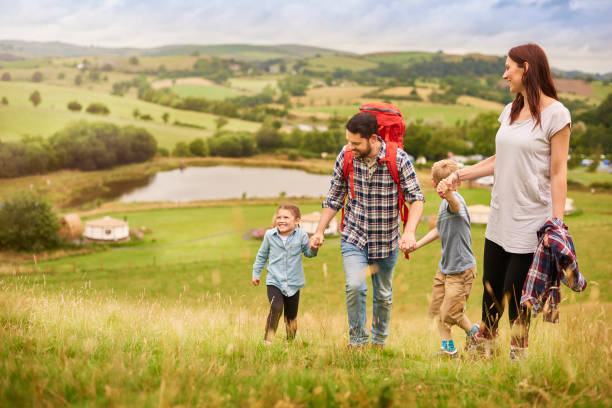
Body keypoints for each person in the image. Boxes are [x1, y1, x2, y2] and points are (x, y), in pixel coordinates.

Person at [438, 43, 572, 360]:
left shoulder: (557, 114)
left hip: (531, 222)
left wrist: (556, 223)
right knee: (491, 290)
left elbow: (558, 172)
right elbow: (501, 158)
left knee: (516, 294)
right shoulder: (511, 109)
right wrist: (462, 174)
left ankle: (518, 359)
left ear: (526, 68)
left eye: (508, 67)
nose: (504, 74)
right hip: (500, 217)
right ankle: (483, 351)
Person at [309, 112, 425, 348]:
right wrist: (319, 230)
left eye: (355, 143)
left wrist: (409, 231)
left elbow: (417, 199)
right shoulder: (346, 156)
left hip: (386, 240)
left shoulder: (399, 160)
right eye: (348, 142)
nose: (350, 147)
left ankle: (379, 341)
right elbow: (334, 196)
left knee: (382, 295)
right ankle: (357, 343)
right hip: (354, 236)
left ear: (373, 138)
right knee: (354, 286)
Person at [408, 159, 479, 356]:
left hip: (461, 271)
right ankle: (449, 348)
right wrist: (417, 244)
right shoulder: (443, 206)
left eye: (449, 183)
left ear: (458, 183)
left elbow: (455, 205)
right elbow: (439, 229)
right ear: (434, 184)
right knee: (437, 309)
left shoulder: (456, 201)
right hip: (445, 269)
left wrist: (448, 193)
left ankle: (474, 333)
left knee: (449, 313)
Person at [252, 203, 318, 344]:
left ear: (297, 221)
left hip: (294, 283)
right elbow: (262, 255)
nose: (281, 220)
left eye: (286, 217)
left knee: (291, 316)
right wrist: (256, 273)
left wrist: (313, 248)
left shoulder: (301, 235)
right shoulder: (270, 235)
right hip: (274, 281)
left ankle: (290, 342)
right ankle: (267, 341)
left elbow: (308, 253)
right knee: (276, 307)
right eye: (279, 217)